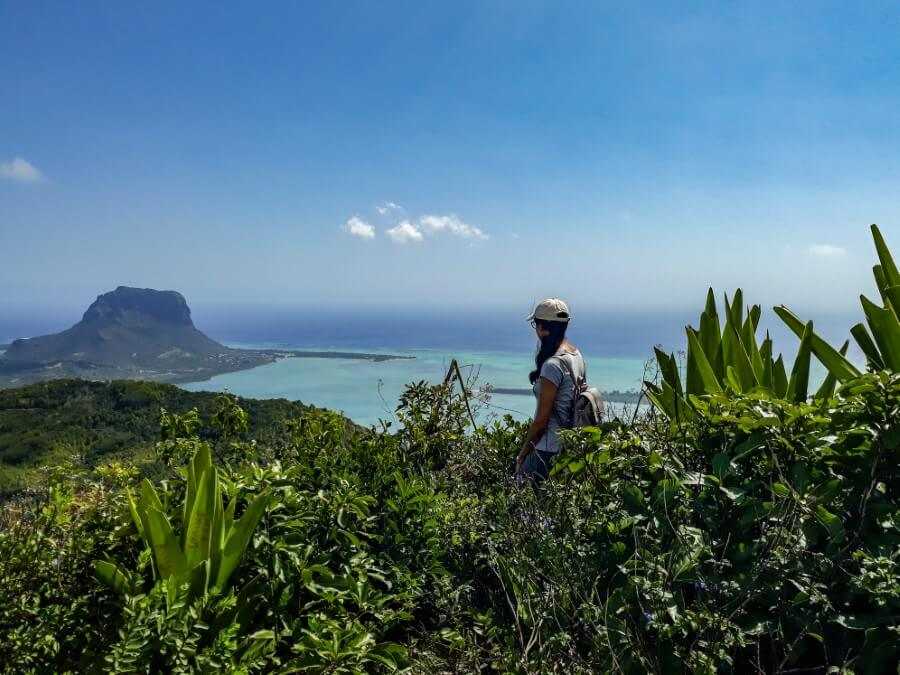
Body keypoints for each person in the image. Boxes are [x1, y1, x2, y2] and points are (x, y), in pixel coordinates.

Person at [516, 298, 586, 483]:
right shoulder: (575, 354)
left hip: (547, 448)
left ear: (541, 328)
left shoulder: (553, 365)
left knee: (520, 498)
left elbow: (541, 422)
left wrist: (522, 454)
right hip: (570, 446)